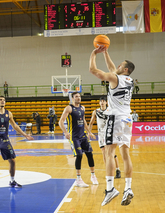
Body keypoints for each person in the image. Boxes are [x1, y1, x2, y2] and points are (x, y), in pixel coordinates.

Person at [89, 45, 135, 206]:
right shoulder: (128, 81)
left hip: (115, 118)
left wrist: (94, 54)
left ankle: (110, 189)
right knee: (125, 154)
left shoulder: (116, 79)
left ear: (126, 68)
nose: (118, 66)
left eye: (121, 65)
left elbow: (94, 71)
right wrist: (106, 52)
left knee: (109, 153)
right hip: (127, 118)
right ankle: (128, 188)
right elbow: (112, 69)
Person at [58, 92, 98, 188]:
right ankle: (78, 179)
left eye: (79, 96)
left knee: (89, 154)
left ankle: (93, 176)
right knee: (79, 155)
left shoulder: (83, 108)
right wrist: (65, 132)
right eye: (76, 96)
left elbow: (84, 121)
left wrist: (89, 132)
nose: (78, 98)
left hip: (83, 135)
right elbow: (60, 121)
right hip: (74, 136)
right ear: (72, 98)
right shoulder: (69, 108)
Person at [88, 96, 121, 179]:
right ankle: (108, 170)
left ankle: (117, 169)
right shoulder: (96, 111)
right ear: (99, 103)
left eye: (103, 101)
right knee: (104, 153)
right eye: (100, 101)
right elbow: (91, 123)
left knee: (110, 153)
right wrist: (89, 132)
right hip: (101, 134)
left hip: (109, 133)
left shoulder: (110, 110)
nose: (102, 102)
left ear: (106, 102)